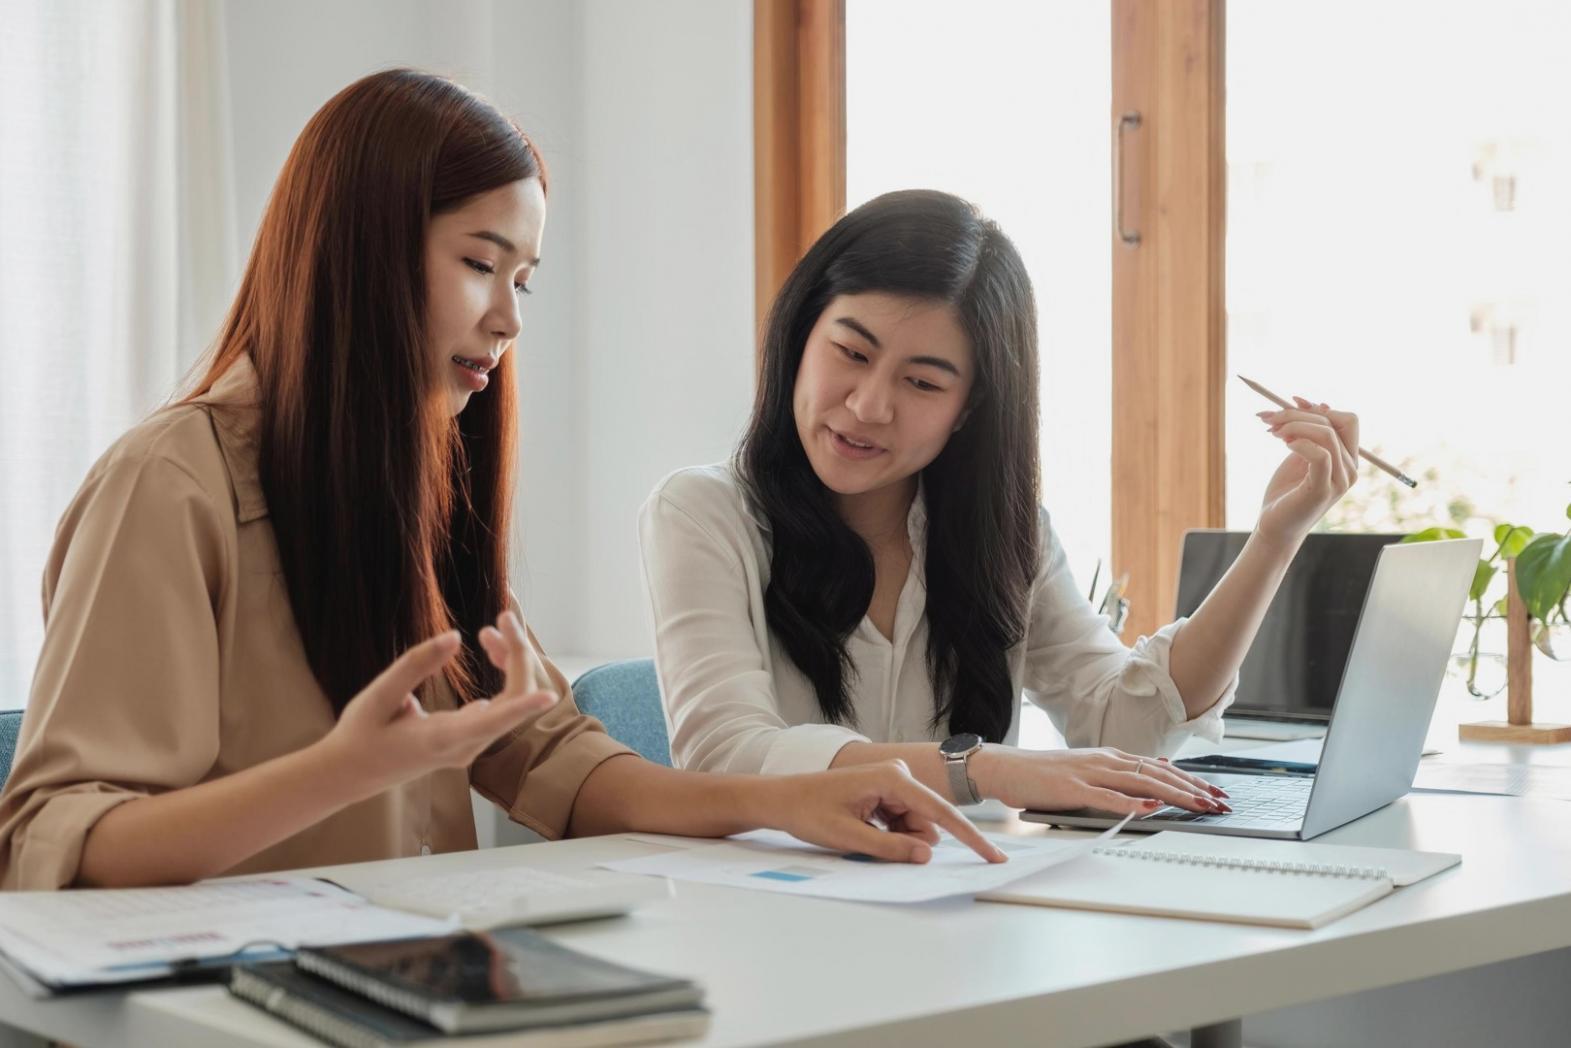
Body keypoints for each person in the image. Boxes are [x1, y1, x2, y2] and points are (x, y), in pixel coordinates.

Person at [0, 72, 1005, 892]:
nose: (508, 320)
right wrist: (343, 772)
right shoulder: (170, 485)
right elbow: (63, 844)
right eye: (482, 264)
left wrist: (778, 801)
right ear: (361, 250)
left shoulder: (402, 482)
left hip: (406, 982)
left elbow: (550, 757)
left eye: (522, 280)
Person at [640, 189, 1361, 816]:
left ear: (967, 408)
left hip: (959, 911)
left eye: (921, 383)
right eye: (851, 353)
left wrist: (1274, 539)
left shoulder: (1005, 539)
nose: (866, 406)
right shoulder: (704, 514)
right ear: (800, 336)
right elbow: (726, 755)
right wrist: (982, 769)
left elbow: (1126, 725)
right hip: (767, 913)